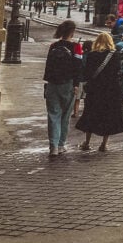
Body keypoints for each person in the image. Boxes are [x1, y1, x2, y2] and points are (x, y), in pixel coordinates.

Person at [75, 33, 123, 152]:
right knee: (108, 116)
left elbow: (87, 73)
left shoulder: (92, 55)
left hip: (95, 89)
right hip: (111, 90)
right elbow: (118, 72)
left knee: (90, 114)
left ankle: (87, 142)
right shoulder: (115, 55)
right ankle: (104, 144)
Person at [43, 19, 82, 158]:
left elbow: (48, 65)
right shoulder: (76, 47)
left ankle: (52, 146)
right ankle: (61, 144)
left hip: (53, 83)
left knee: (53, 115)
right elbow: (78, 67)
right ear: (72, 32)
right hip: (68, 83)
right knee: (65, 116)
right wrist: (77, 85)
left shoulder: (53, 46)